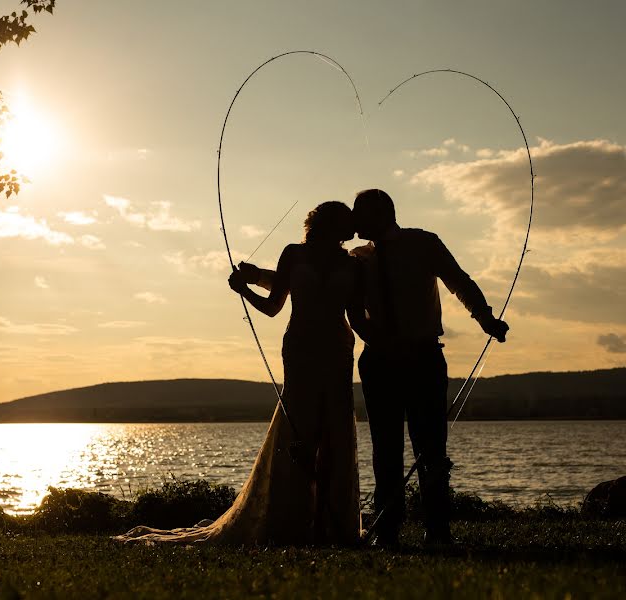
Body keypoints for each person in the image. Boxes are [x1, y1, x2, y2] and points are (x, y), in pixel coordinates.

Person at [114, 201, 369, 546]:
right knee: (300, 426)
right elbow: (274, 306)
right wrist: (245, 290)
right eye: (346, 220)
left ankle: (332, 525)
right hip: (300, 349)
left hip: (339, 351)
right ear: (331, 224)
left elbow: (357, 317)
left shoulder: (350, 264)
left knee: (335, 429)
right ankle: (290, 520)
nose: (353, 224)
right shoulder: (293, 254)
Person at [350, 188, 509, 547]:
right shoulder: (358, 258)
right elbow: (354, 312)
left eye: (359, 214)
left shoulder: (424, 243)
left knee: (432, 449)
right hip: (378, 360)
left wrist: (485, 319)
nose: (354, 222)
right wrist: (378, 340)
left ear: (380, 213)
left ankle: (437, 529)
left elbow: (459, 281)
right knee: (384, 448)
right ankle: (388, 529)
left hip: (423, 356)